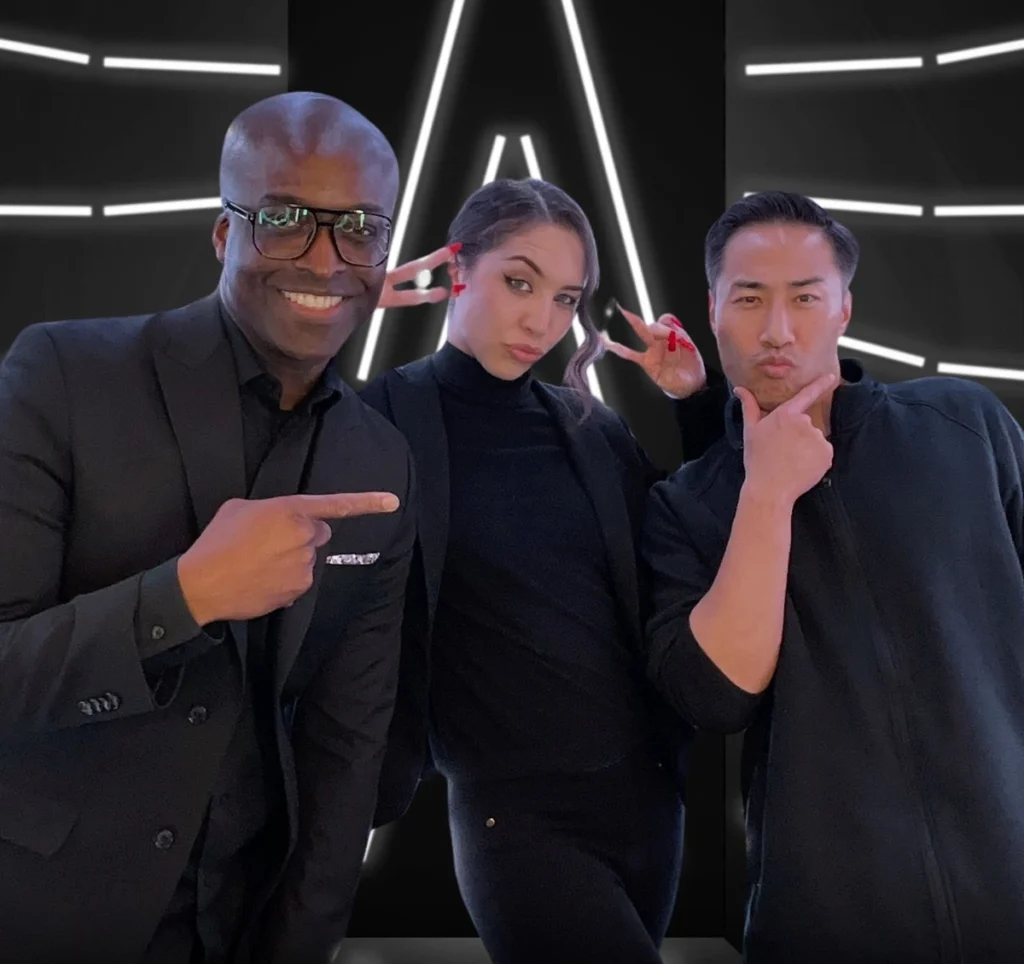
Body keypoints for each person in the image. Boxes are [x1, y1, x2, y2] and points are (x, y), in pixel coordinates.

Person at [0, 91, 449, 964]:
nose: (326, 259)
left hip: (243, 927)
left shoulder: (380, 460)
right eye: (284, 219)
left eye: (358, 227)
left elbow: (344, 748)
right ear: (223, 233)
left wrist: (300, 943)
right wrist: (182, 597)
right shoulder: (63, 374)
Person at [642, 190, 1024, 963]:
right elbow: (716, 696)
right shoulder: (686, 503)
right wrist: (766, 491)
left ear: (844, 308)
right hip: (822, 919)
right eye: (748, 299)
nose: (777, 330)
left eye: (806, 298)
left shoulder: (963, 424)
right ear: (712, 310)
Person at [360, 176, 712, 964]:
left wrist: (694, 402)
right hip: (514, 816)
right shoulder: (380, 419)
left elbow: (699, 537)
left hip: (648, 801)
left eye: (565, 298)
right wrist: (342, 311)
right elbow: (265, 459)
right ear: (458, 269)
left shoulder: (594, 430)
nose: (541, 320)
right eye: (519, 282)